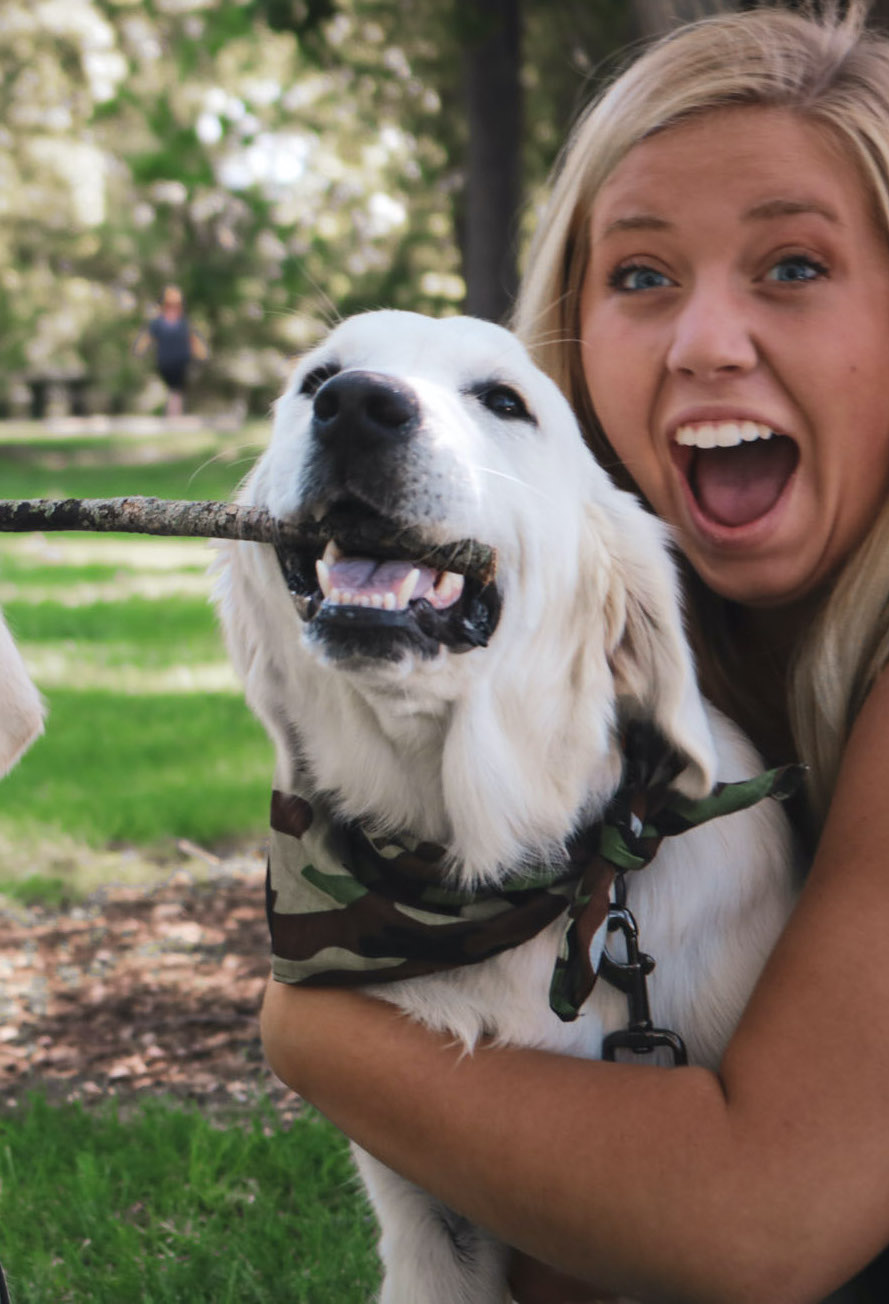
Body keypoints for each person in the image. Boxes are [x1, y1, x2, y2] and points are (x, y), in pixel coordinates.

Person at [258, 5, 889, 1301]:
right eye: (643, 276)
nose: (707, 341)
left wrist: (316, 1025)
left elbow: (757, 1221)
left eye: (793, 266)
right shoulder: (578, 613)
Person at [133, 284, 207, 417]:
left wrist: (202, 354)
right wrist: (139, 350)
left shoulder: (184, 323)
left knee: (176, 389)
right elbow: (146, 338)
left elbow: (194, 340)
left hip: (182, 361)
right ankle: (173, 415)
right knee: (174, 389)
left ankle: (173, 414)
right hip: (165, 360)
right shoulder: (157, 323)